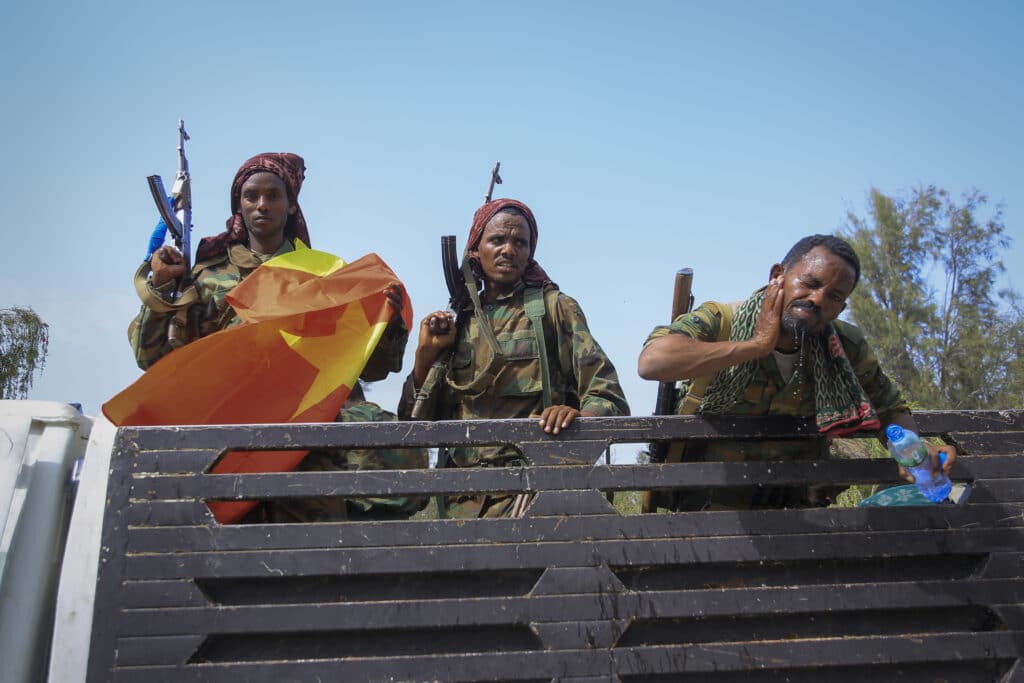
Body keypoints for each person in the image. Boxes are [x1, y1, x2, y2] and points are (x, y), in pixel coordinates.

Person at [128, 152, 426, 520]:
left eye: (273, 196)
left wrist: (390, 325)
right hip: (231, 448)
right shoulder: (206, 277)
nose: (262, 205)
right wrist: (161, 288)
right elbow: (152, 359)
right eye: (251, 196)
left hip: (311, 453)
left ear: (291, 205)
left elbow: (371, 370)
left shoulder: (326, 276)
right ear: (238, 204)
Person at [638, 234, 956, 509]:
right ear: (779, 275)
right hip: (711, 508)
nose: (817, 299)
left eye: (833, 296)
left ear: (841, 308)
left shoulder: (844, 346)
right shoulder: (723, 320)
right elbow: (653, 362)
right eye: (810, 283)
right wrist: (756, 345)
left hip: (800, 509)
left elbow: (888, 408)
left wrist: (915, 449)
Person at [398, 198, 630, 518]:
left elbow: (609, 397)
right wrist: (425, 357)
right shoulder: (459, 320)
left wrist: (576, 420)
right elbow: (415, 425)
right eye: (497, 240)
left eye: (520, 242)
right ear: (476, 250)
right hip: (459, 503)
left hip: (532, 496)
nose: (509, 249)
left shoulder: (553, 308)